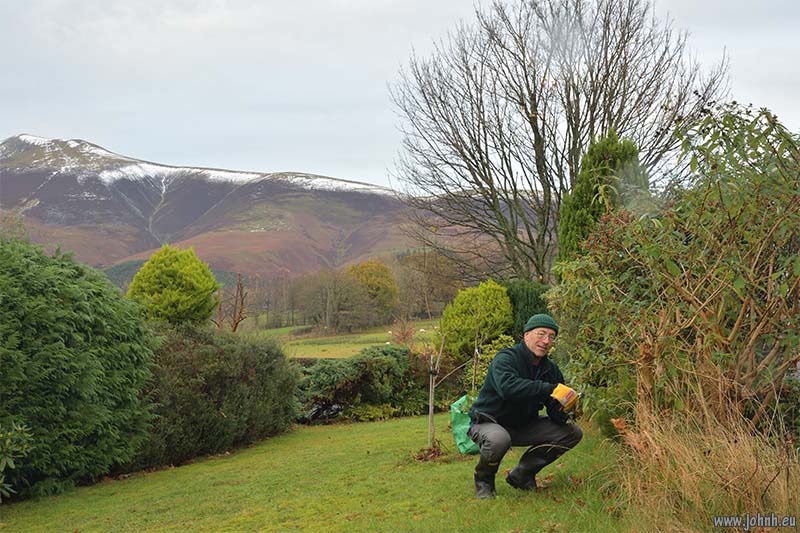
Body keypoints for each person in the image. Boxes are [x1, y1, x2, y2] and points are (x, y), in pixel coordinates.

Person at [467, 313, 582, 499]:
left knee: (572, 433)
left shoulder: (550, 370)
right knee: (498, 439)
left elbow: (553, 408)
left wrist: (565, 410)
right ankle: (484, 481)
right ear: (526, 334)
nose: (546, 341)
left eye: (551, 337)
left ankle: (522, 474)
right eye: (541, 334)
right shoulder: (506, 358)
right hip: (488, 423)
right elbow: (508, 388)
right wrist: (549, 389)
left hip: (523, 425)